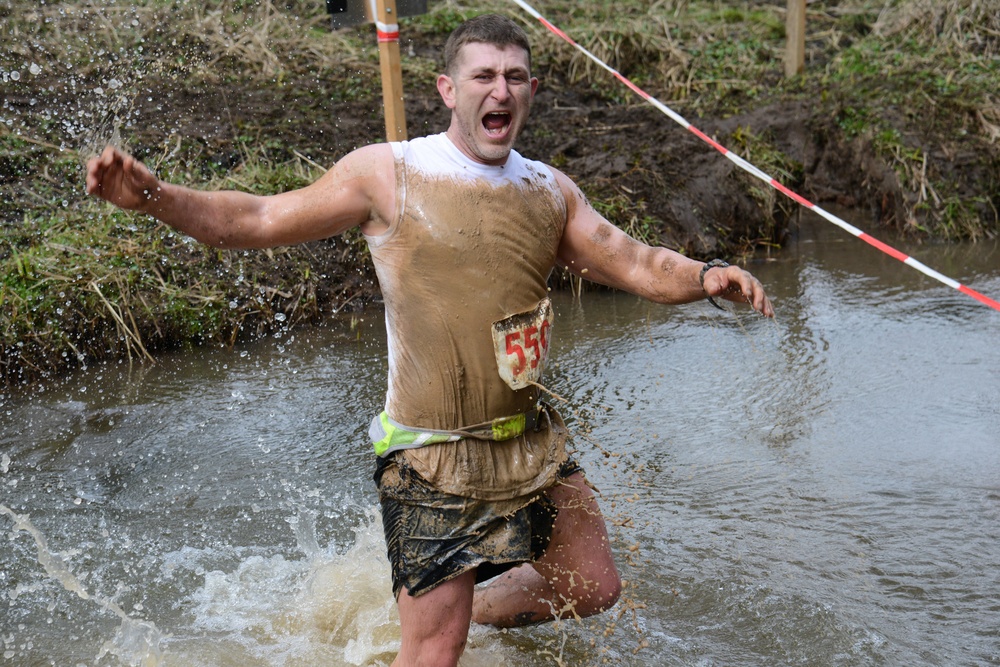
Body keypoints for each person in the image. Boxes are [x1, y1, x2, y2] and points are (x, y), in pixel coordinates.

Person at [86, 13, 774, 666]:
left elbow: (635, 260)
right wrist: (155, 196)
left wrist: (705, 274)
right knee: (433, 653)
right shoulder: (389, 174)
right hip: (433, 460)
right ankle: (444, 617)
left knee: (592, 584)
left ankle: (474, 609)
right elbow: (258, 217)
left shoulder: (549, 190)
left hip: (528, 442)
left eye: (514, 76)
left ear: (531, 91)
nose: (500, 89)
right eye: (483, 76)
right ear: (448, 89)